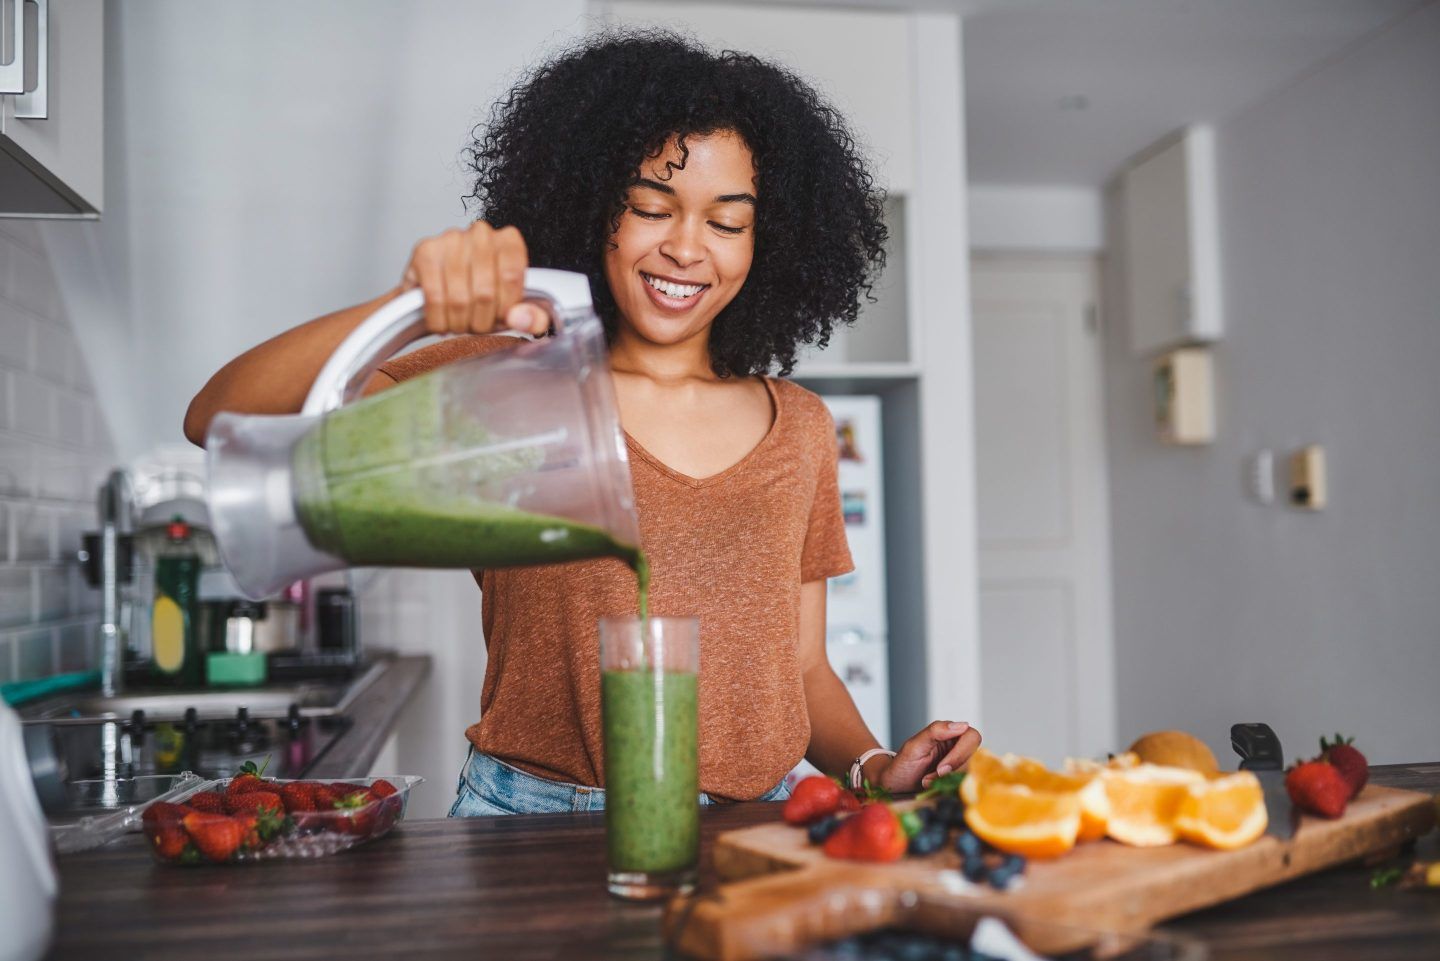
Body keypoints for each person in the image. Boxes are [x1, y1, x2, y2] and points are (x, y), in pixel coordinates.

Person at [185, 30, 981, 814]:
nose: (685, 248)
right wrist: (413, 308)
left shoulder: (800, 427)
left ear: (767, 244)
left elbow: (803, 666)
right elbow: (217, 416)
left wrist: (875, 765)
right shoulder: (509, 384)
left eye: (726, 222)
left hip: (758, 824)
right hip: (532, 820)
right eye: (649, 207)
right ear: (593, 208)